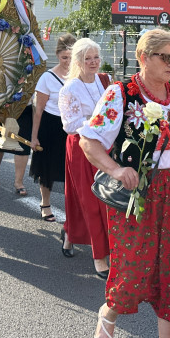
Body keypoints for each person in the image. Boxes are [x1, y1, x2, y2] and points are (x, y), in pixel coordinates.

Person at [78, 29, 170, 338]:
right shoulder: (121, 94)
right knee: (134, 269)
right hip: (139, 195)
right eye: (166, 58)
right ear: (144, 57)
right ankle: (109, 312)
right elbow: (89, 140)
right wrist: (116, 170)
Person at [58, 38, 112, 275]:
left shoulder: (105, 80)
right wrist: (98, 124)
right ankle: (99, 256)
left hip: (104, 144)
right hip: (81, 146)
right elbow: (70, 125)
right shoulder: (69, 88)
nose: (93, 62)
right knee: (88, 200)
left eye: (95, 57)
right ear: (78, 61)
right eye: (87, 58)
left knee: (106, 200)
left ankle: (70, 232)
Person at [30, 32, 75, 222]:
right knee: (47, 168)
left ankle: (72, 209)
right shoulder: (47, 78)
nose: (68, 61)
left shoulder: (82, 76)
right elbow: (38, 110)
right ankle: (45, 203)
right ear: (58, 55)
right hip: (50, 124)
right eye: (65, 57)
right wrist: (34, 137)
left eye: (72, 57)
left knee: (72, 169)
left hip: (72, 127)